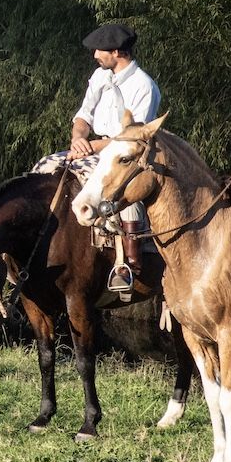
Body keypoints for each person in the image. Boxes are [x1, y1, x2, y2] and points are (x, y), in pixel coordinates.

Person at [60, 22, 162, 291]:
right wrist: (78, 138)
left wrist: (92, 146)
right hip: (91, 148)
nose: (95, 55)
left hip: (127, 156)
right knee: (46, 170)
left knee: (128, 195)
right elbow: (84, 115)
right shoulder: (100, 77)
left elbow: (134, 138)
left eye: (99, 50)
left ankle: (129, 262)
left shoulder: (144, 86)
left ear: (117, 52)